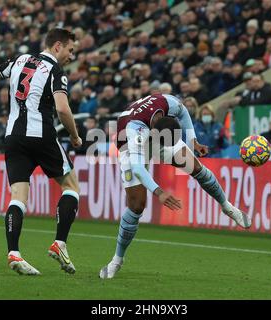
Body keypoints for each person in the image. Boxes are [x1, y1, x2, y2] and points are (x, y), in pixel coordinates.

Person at [0, 28, 82, 276]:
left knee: (18, 197)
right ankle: (59, 243)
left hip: (13, 137)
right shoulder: (56, 70)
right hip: (41, 135)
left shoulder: (18, 61)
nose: (71, 55)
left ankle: (14, 253)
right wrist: (75, 136)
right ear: (57, 46)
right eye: (70, 50)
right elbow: (63, 110)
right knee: (71, 187)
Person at [99, 93, 251, 279]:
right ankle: (117, 260)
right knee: (137, 205)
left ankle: (226, 206)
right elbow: (138, 167)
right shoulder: (135, 129)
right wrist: (159, 192)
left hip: (158, 137)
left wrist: (192, 140)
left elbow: (184, 111)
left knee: (196, 167)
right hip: (130, 148)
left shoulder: (166, 102)